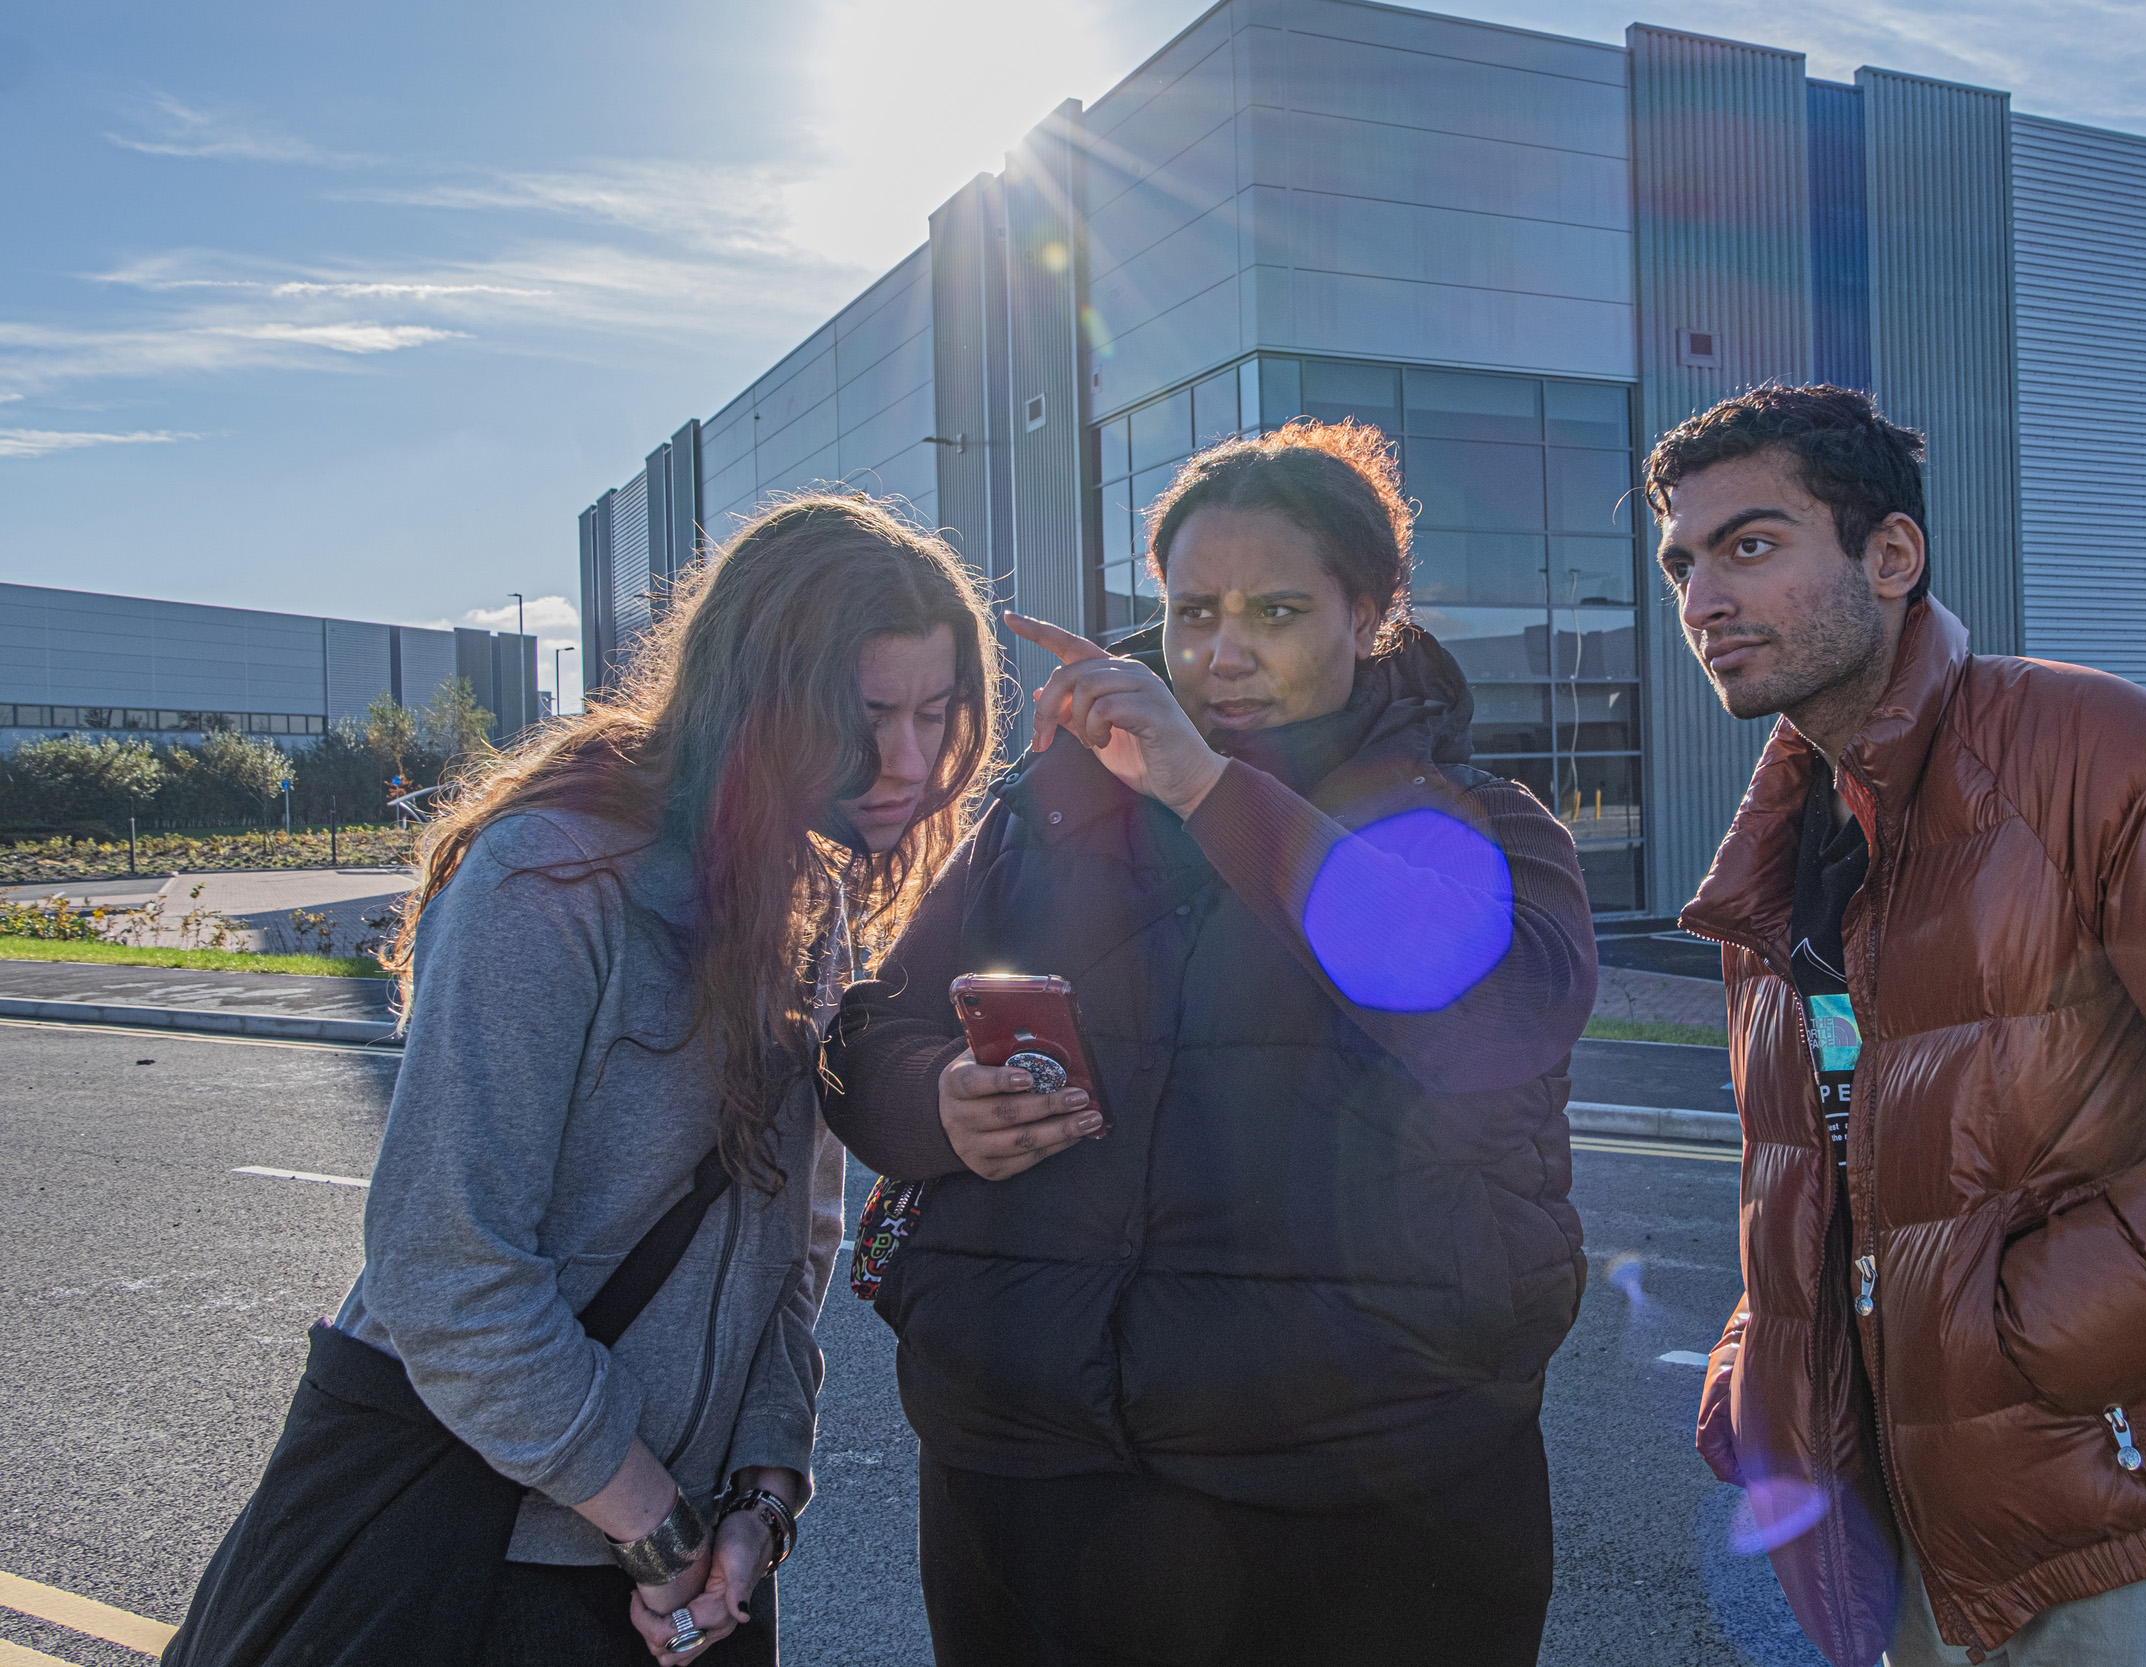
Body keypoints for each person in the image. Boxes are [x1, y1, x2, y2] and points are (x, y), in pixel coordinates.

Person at [1652, 385, 2146, 1667]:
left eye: (1751, 543)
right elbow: (1848, 1157)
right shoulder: (1789, 839)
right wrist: (1770, 1352)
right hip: (1913, 1531)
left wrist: (2002, 1341)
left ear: (1890, 556)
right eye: (1681, 560)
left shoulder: (2102, 750)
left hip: (2136, 1520)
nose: (1702, 599)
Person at [168, 494, 1000, 1666]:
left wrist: (762, 1497)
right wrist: (650, 1521)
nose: (908, 764)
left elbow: (792, 1250)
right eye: (864, 717)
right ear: (755, 696)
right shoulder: (547, 876)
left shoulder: (806, 903)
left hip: (696, 1569)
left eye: (934, 711)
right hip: (478, 1560)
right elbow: (445, 1267)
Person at [829, 419, 1599, 1667]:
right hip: (1027, 1476)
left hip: (1365, 1495)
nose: (1219, 654)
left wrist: (1206, 790)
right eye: (1191, 613)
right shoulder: (1044, 818)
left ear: (1370, 615)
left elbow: (1499, 1016)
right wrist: (937, 1099)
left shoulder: (1477, 823)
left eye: (1277, 611)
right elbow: (870, 1035)